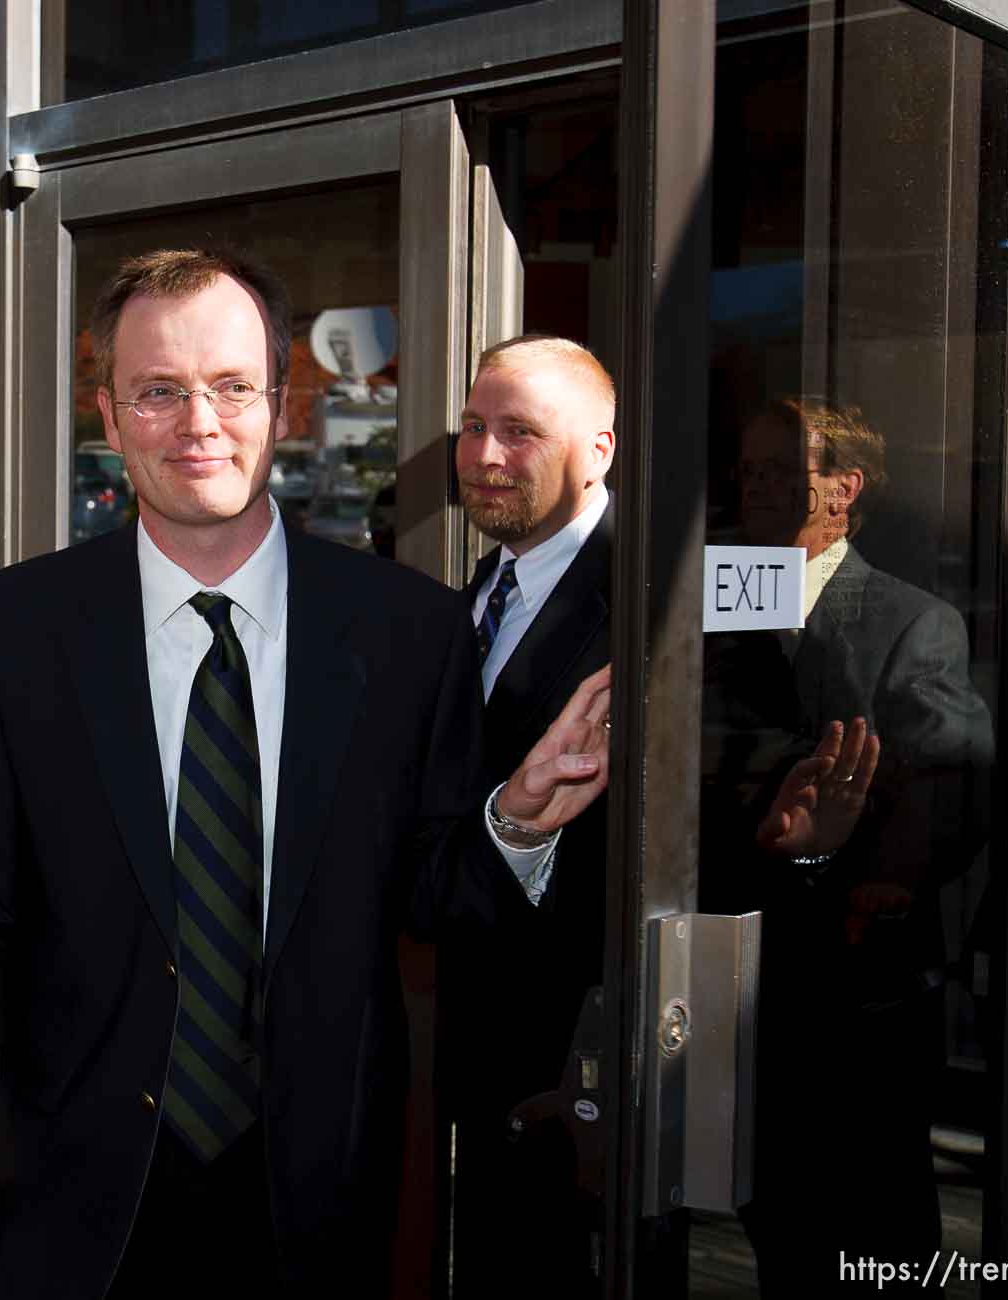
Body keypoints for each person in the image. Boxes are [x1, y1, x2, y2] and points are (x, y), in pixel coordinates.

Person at [0, 249, 611, 1298]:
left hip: (319, 1198)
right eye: (159, 391)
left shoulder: (409, 632)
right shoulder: (19, 626)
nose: (199, 423)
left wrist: (516, 820)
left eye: (232, 386)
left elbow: (429, 890)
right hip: (79, 1195)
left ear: (280, 404)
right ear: (108, 414)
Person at [702, 396, 994, 1293]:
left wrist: (882, 883)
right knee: (771, 1203)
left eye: (782, 469)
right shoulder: (715, 596)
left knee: (874, 1211)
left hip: (857, 969)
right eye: (749, 469)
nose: (757, 486)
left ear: (845, 488)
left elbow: (953, 776)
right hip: (735, 953)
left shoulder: (910, 619)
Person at [437, 334, 620, 1293]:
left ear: (600, 449)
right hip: (471, 1043)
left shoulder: (656, 600)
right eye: (474, 426)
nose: (485, 455)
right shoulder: (472, 593)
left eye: (520, 431)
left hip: (581, 1054)